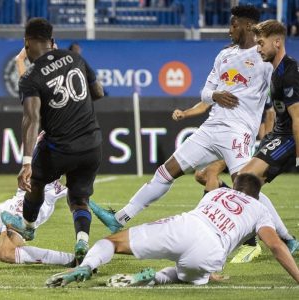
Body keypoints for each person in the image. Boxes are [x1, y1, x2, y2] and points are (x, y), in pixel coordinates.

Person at [89, 5, 297, 261]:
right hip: (210, 127)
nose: (228, 29)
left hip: (238, 132)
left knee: (246, 186)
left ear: (246, 26)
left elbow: (282, 80)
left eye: (233, 25)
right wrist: (215, 95)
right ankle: (120, 218)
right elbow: (205, 92)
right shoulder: (224, 56)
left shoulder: (264, 58)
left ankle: (287, 238)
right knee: (166, 171)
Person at [45, 174, 299, 288]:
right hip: (211, 253)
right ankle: (153, 279)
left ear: (234, 185)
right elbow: (276, 246)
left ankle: (86, 266)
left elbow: (207, 179)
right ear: (256, 195)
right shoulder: (259, 209)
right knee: (184, 275)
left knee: (113, 242)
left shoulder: (220, 192)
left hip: (187, 225)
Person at [0, 17, 104, 264]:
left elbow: (31, 119)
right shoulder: (76, 58)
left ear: (27, 43)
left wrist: (26, 163)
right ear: (51, 40)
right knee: (79, 199)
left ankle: (28, 225)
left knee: (36, 182)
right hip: (92, 144)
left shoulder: (31, 77)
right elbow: (98, 92)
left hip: (60, 147)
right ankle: (82, 241)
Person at [229, 19, 299, 261]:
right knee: (244, 181)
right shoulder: (275, 71)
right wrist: (267, 136)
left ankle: (252, 242)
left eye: (261, 43)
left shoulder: (290, 73)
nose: (258, 48)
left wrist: (298, 156)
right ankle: (284, 239)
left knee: (245, 180)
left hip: (289, 138)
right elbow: (273, 111)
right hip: (278, 135)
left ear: (277, 42)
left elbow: (297, 119)